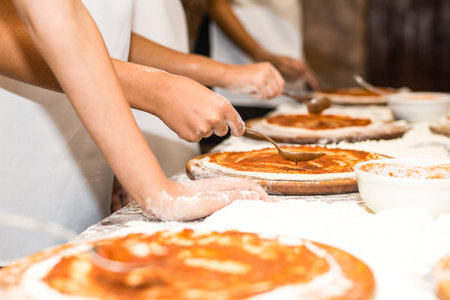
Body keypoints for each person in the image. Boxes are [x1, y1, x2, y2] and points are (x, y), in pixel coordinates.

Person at [0, 0, 273, 264]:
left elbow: (97, 30)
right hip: (21, 158)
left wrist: (133, 170)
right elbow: (40, 24)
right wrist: (156, 90)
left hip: (87, 154)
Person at [209, 0, 319, 119]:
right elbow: (217, 5)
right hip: (235, 64)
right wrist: (262, 55)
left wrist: (300, 62)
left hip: (287, 82)